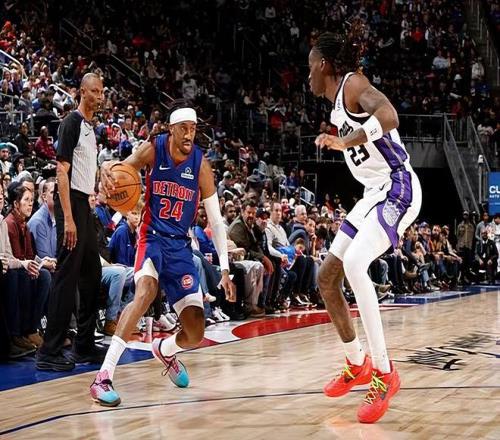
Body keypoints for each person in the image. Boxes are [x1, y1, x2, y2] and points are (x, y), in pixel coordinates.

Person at [309, 31, 422, 423]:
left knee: (356, 264)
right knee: (327, 277)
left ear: (324, 65)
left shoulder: (352, 84)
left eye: (310, 66)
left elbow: (389, 117)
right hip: (374, 193)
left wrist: (346, 141)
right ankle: (357, 362)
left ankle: (385, 373)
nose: (308, 75)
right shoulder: (336, 106)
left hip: (398, 185)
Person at [91, 103, 235, 407]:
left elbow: (216, 219)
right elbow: (122, 170)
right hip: (152, 237)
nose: (189, 134)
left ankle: (165, 350)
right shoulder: (153, 149)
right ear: (171, 129)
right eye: (183, 128)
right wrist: (107, 168)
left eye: (193, 129)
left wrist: (224, 268)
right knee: (145, 292)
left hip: (180, 247)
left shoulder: (201, 165)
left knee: (195, 331)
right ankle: (103, 376)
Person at [36, 73, 105, 372]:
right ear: (81, 92)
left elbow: (85, 169)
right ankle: (49, 350)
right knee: (66, 277)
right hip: (71, 205)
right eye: (94, 91)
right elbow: (61, 172)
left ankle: (84, 344)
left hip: (84, 203)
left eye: (102, 92)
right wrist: (68, 219)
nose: (100, 97)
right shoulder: (71, 123)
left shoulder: (91, 128)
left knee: (92, 273)